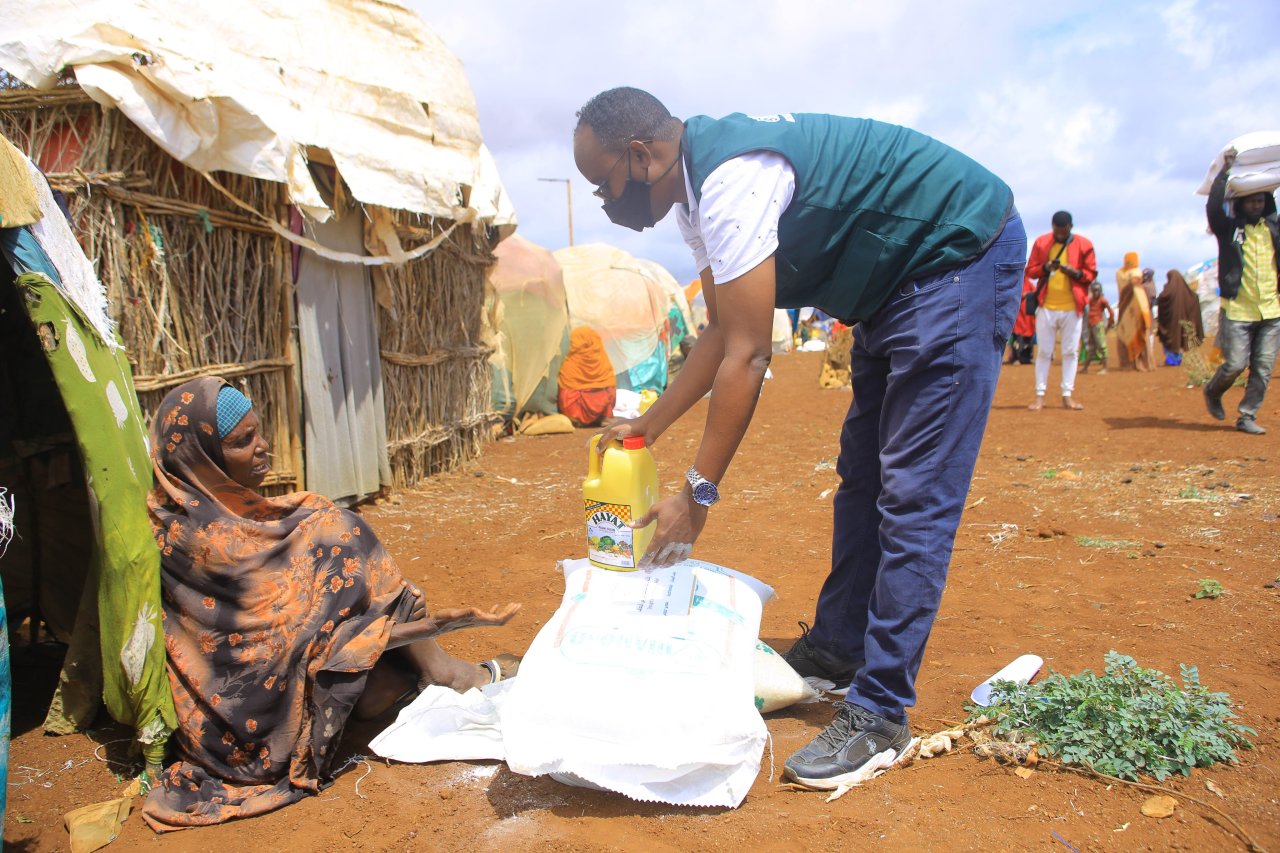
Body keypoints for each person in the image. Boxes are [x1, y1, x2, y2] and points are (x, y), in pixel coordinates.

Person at [572, 87, 1024, 790]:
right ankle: (842, 649)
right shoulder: (693, 196)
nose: (606, 200)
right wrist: (648, 424)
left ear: (642, 154)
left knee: (914, 492)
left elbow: (750, 354)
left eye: (604, 183)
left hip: (954, 258)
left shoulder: (730, 181)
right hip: (891, 288)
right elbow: (720, 329)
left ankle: (879, 713)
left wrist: (698, 493)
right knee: (864, 478)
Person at [142, 378, 519, 829]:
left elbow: (304, 628)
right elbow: (274, 650)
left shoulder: (229, 518)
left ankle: (407, 677)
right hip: (258, 725)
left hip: (289, 676)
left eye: (259, 432)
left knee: (333, 532)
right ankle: (437, 672)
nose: (264, 448)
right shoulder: (201, 542)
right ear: (199, 457)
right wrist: (419, 627)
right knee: (340, 535)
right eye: (243, 442)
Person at [1203, 147, 1280, 435]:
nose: (1257, 204)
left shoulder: (1273, 228)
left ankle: (1247, 415)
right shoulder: (1229, 229)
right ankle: (1213, 390)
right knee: (1234, 364)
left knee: (1262, 369)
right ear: (1241, 203)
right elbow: (1213, 208)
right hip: (1238, 309)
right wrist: (1224, 172)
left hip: (1272, 309)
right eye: (1252, 200)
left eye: (1262, 199)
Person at [1024, 211, 1096, 410]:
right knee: (1044, 352)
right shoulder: (1041, 242)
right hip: (1046, 306)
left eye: (1063, 232)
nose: (1060, 236)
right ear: (1052, 227)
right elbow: (1031, 270)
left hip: (1073, 307)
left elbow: (1090, 274)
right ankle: (1040, 395)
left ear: (1070, 227)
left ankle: (1067, 395)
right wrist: (1046, 267)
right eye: (1057, 232)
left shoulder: (1085, 245)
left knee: (1071, 352)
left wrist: (1074, 272)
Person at [558, 326, 618, 428]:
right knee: (608, 387)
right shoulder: (602, 361)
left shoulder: (570, 363)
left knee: (564, 389)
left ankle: (577, 419)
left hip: (575, 413)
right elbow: (611, 388)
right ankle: (600, 417)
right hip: (602, 412)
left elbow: (564, 393)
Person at [1156, 269, 1204, 366]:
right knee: (1179, 338)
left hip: (1170, 324)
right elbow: (1194, 299)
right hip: (1182, 323)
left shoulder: (1167, 292)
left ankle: (1172, 360)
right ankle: (1177, 359)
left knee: (1170, 340)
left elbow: (1161, 299)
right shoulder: (1188, 293)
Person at [1114, 252, 1152, 371]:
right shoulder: (1136, 272)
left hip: (1124, 308)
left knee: (1126, 332)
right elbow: (1136, 281)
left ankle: (1128, 363)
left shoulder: (1119, 273)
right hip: (1136, 309)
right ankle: (1140, 362)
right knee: (1137, 332)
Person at [1079, 281, 1114, 373]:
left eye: (1097, 291)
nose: (1095, 293)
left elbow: (1111, 313)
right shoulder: (1090, 300)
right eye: (1094, 291)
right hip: (1091, 325)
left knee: (1102, 346)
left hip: (1098, 324)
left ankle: (1105, 368)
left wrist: (1109, 325)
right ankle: (1085, 368)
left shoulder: (1103, 300)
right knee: (1091, 347)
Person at [1004, 272, 1037, 365]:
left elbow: (1036, 293)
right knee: (1017, 338)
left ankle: (1026, 358)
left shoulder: (1029, 284)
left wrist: (1029, 295)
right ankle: (1015, 357)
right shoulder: (1014, 283)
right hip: (1018, 317)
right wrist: (1023, 295)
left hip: (1028, 317)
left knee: (1028, 338)